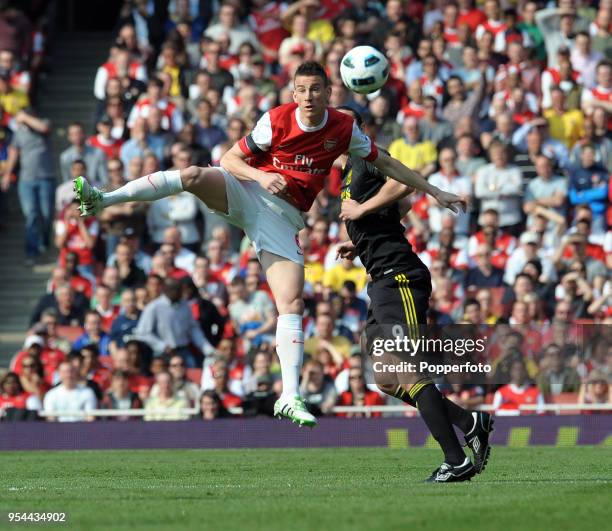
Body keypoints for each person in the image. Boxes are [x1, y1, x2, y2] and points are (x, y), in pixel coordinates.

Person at [74, 61, 465, 428]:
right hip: (246, 190)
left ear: (329, 93)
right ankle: (103, 199)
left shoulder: (344, 130)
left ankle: (290, 397)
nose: (308, 96)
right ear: (293, 94)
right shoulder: (276, 120)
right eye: (301, 90)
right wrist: (261, 179)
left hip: (281, 218)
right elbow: (229, 159)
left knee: (291, 304)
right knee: (193, 174)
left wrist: (434, 191)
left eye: (316, 89)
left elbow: (392, 167)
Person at [335, 106, 490, 482]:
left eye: (344, 122)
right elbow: (400, 205)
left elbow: (402, 184)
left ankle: (456, 460)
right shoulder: (347, 171)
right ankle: (470, 421)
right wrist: (363, 238)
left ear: (359, 128)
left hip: (399, 277)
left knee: (407, 369)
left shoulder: (366, 157)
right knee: (387, 378)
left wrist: (361, 212)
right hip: (380, 279)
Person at [1, 109, 55, 265]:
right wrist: (6, 175)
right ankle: (31, 251)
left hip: (46, 178)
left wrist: (24, 117)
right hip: (26, 180)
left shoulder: (43, 123)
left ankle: (44, 239)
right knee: (31, 214)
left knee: (46, 214)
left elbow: (44, 128)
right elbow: (13, 154)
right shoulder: (19, 133)